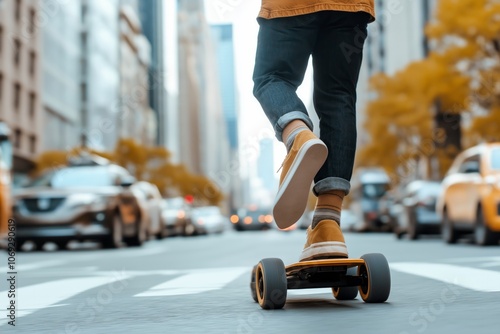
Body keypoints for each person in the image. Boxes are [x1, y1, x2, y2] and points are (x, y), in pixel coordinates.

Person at [252, 0, 375, 261]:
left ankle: (297, 135)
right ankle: (327, 225)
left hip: (289, 5)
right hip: (349, 7)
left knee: (271, 78)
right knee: (338, 95)